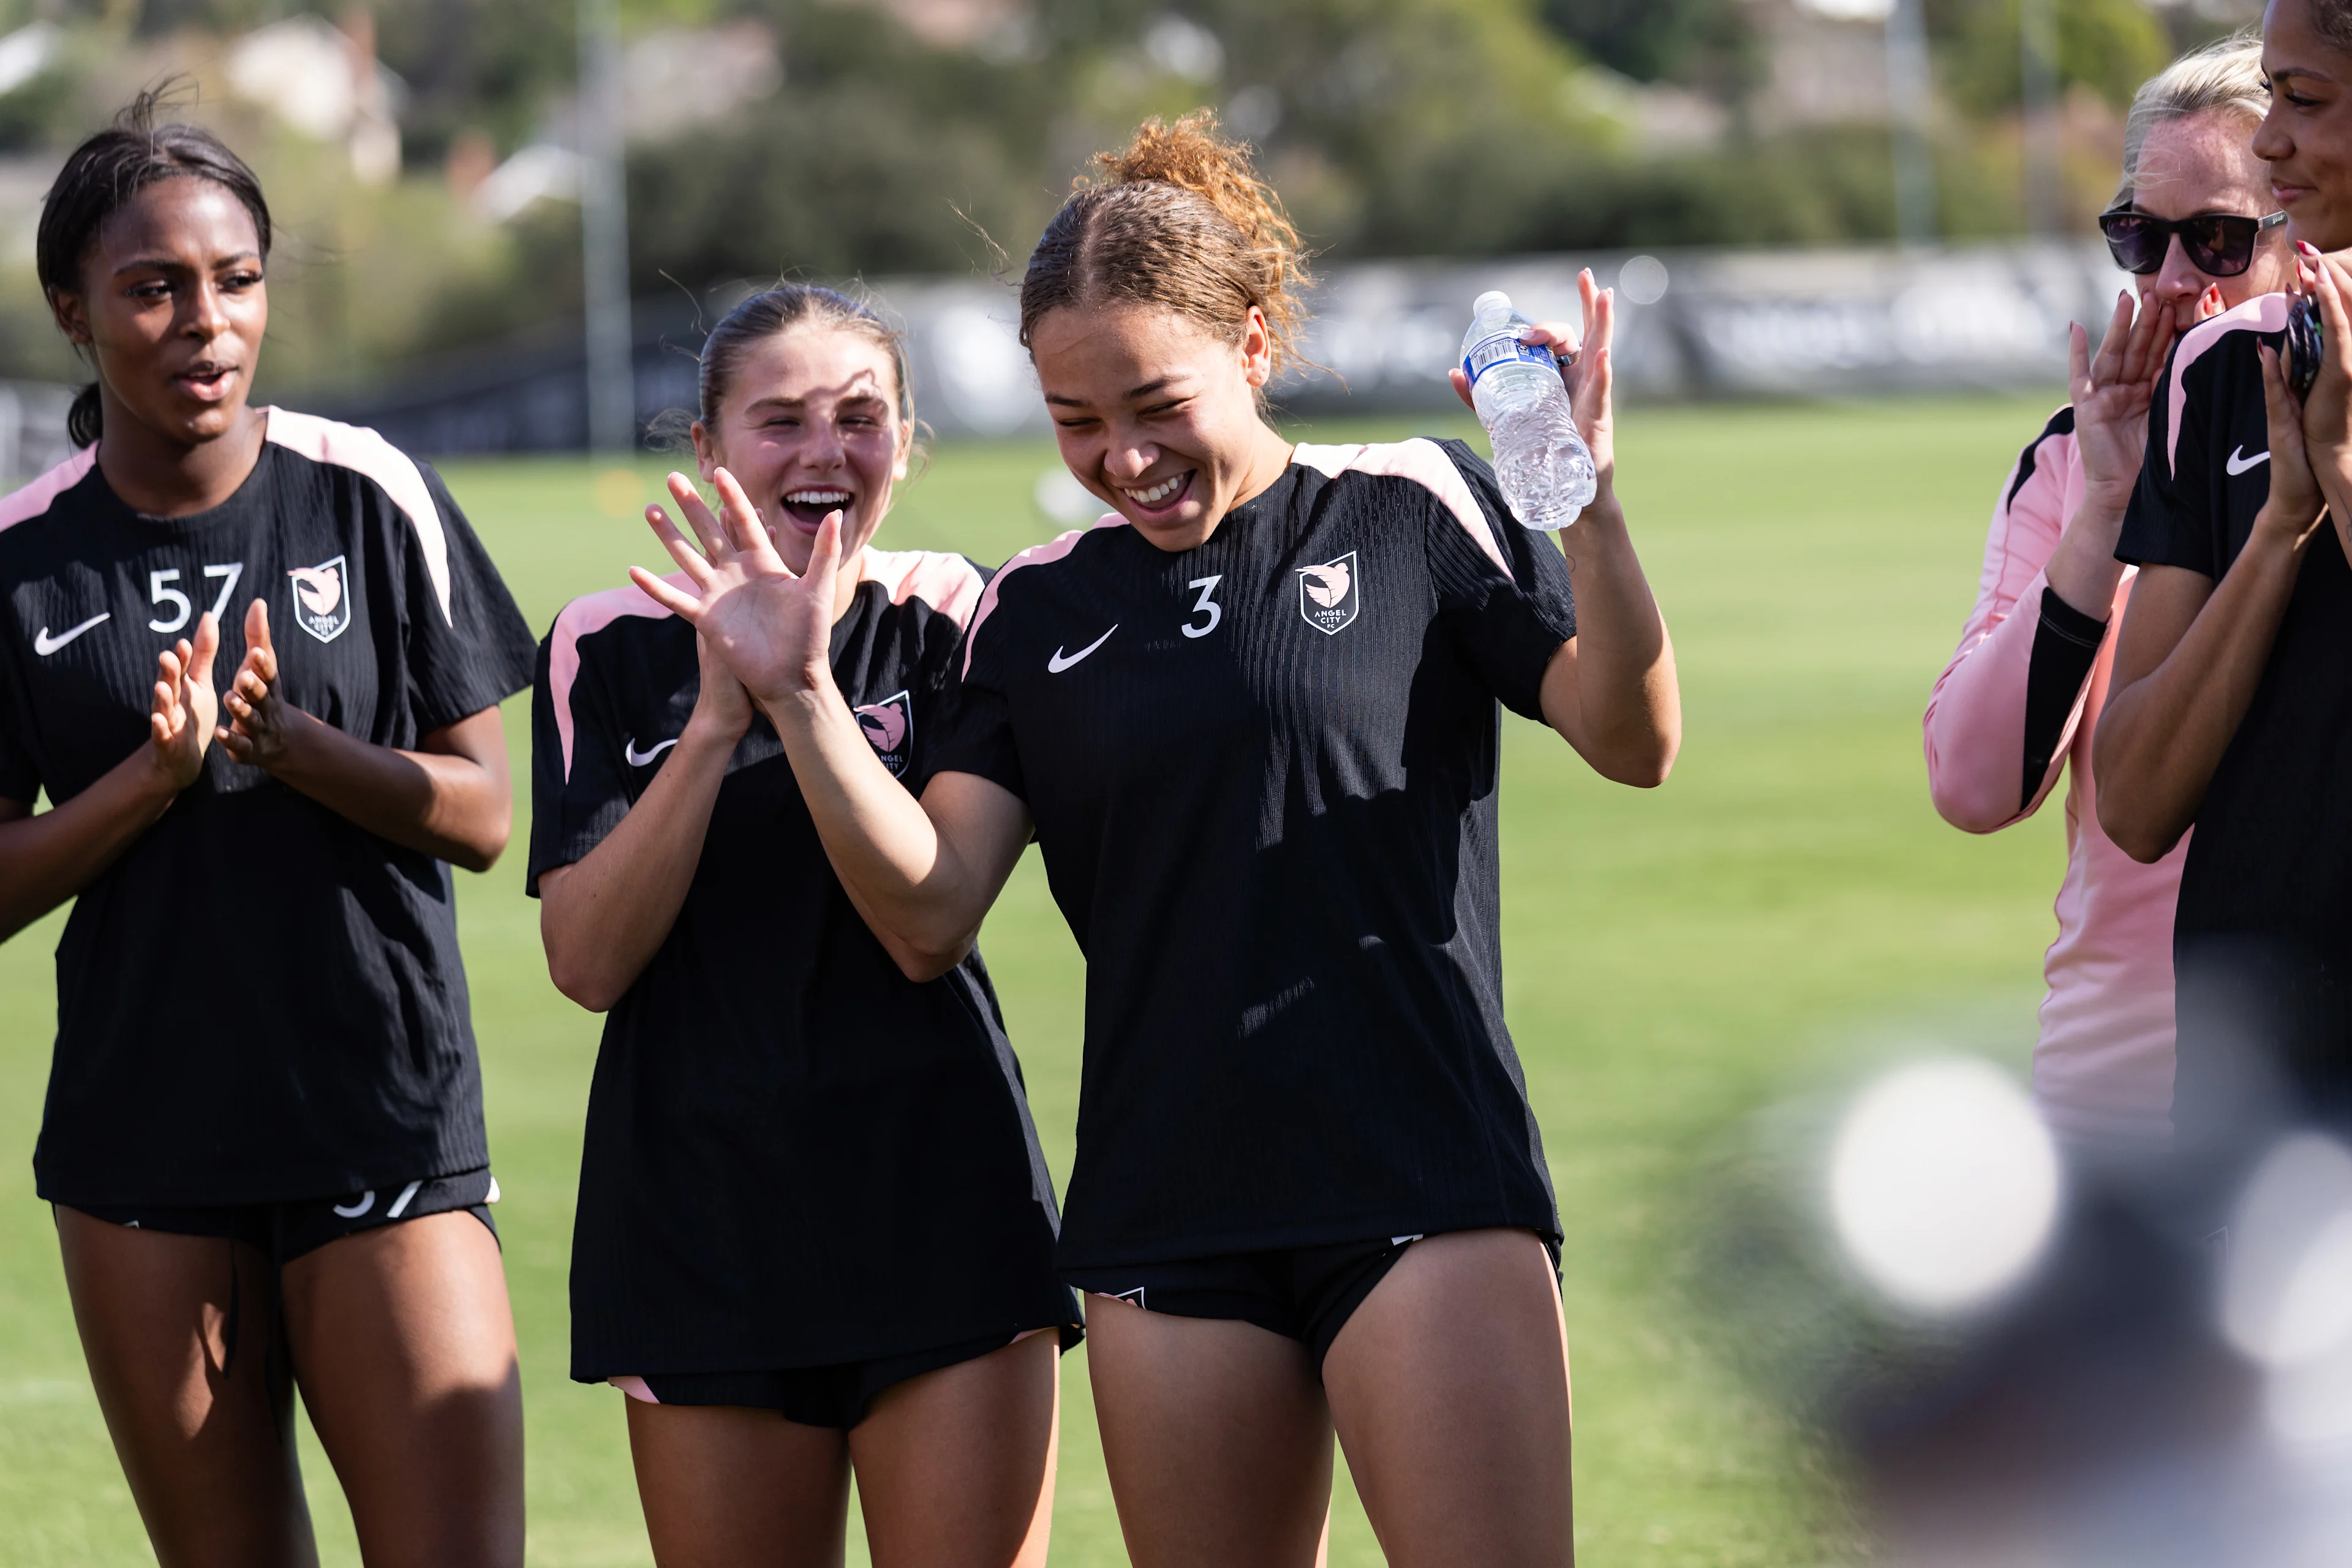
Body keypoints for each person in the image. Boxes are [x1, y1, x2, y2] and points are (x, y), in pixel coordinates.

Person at [631, 113, 1678, 1567]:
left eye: (1153, 401)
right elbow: (930, 912)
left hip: (1421, 1183)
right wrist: (803, 696)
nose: (1123, 455)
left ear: (1252, 346)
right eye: (1076, 419)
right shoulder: (1038, 606)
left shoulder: (1417, 502)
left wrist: (1593, 514)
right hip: (1163, 1222)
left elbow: (1633, 738)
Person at [0, 99, 536, 1566]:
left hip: (382, 1110)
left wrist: (295, 748)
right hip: (143, 1145)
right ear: (75, 309)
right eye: (154, 286)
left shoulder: (370, 492)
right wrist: (149, 780)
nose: (205, 320)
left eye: (235, 280)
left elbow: (484, 816)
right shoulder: (21, 563)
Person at [529, 284, 1079, 1566]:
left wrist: (804, 688)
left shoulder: (960, 613)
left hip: (941, 1206)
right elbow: (587, 958)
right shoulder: (605, 645)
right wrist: (718, 713)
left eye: (860, 417)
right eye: (780, 421)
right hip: (696, 1218)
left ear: (906, 441)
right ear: (710, 449)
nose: (825, 451)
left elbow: (929, 922)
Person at [1923, 36, 2292, 1152]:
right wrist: (2105, 516)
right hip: (2121, 1099)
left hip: (2310, 1076)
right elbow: (1974, 783)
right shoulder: (2071, 462)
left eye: (2221, 238)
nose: (2179, 279)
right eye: (2143, 237)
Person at [2097, 0, 2352, 1151]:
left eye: (2306, 101)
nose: (2269, 144)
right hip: (2253, 1102)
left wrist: (2340, 464)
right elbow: (2138, 803)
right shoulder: (2227, 371)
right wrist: (2276, 533)